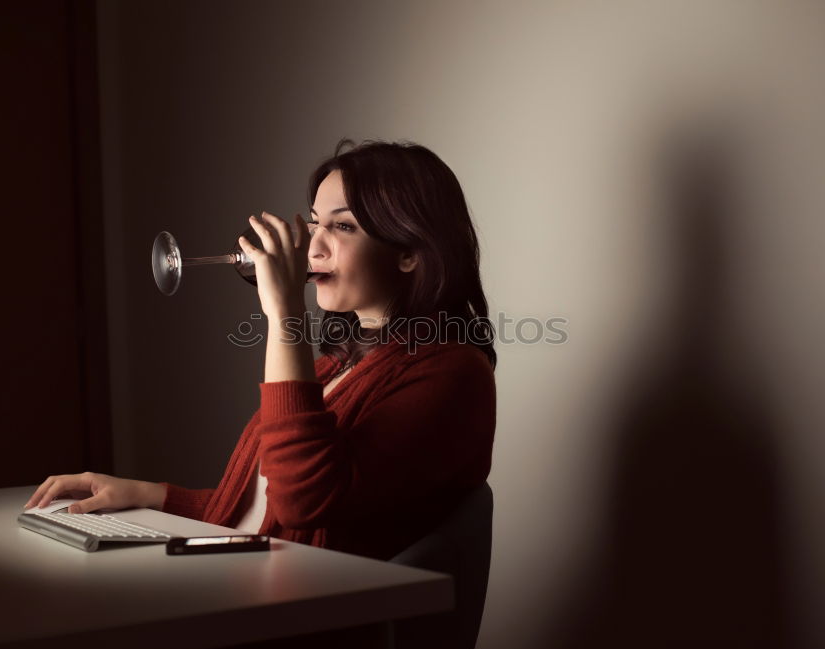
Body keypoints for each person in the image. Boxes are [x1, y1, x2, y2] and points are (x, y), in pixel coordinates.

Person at [25, 139, 497, 561]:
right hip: (255, 588)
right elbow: (265, 512)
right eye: (315, 224)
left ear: (410, 252)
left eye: (344, 227)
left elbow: (304, 504)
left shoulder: (453, 372)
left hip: (317, 624)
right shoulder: (338, 364)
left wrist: (285, 313)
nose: (313, 247)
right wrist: (149, 494)